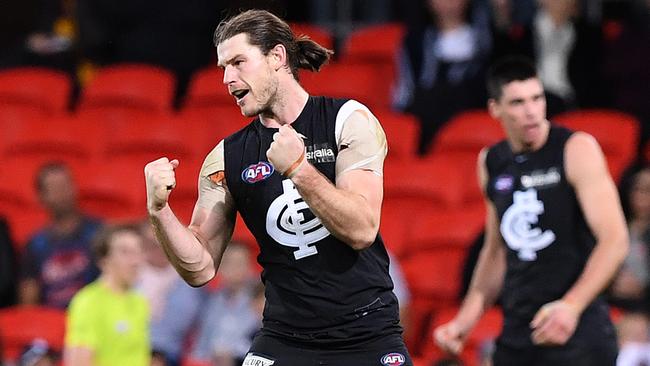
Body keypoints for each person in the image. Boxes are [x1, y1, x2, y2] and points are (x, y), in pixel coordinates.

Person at [144, 9, 412, 366]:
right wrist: (159, 212)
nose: (227, 78)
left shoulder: (348, 120)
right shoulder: (225, 158)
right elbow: (201, 268)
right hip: (284, 336)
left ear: (277, 57)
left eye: (239, 62)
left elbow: (362, 228)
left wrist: (299, 169)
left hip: (365, 334)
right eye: (224, 67)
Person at [433, 56, 629, 366]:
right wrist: (464, 322)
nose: (532, 112)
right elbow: (495, 252)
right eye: (518, 102)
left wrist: (571, 306)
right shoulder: (491, 161)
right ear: (495, 109)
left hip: (577, 329)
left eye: (537, 98)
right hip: (518, 330)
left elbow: (614, 239)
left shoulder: (576, 149)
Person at [64, 223, 150, 366]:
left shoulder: (140, 301)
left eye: (138, 251)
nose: (136, 261)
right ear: (104, 261)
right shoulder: (87, 302)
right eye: (125, 252)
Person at [19, 162, 102, 309]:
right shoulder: (35, 245)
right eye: (54, 188)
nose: (62, 193)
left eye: (65, 185)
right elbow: (28, 302)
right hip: (50, 322)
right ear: (41, 197)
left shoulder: (98, 233)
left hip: (93, 315)